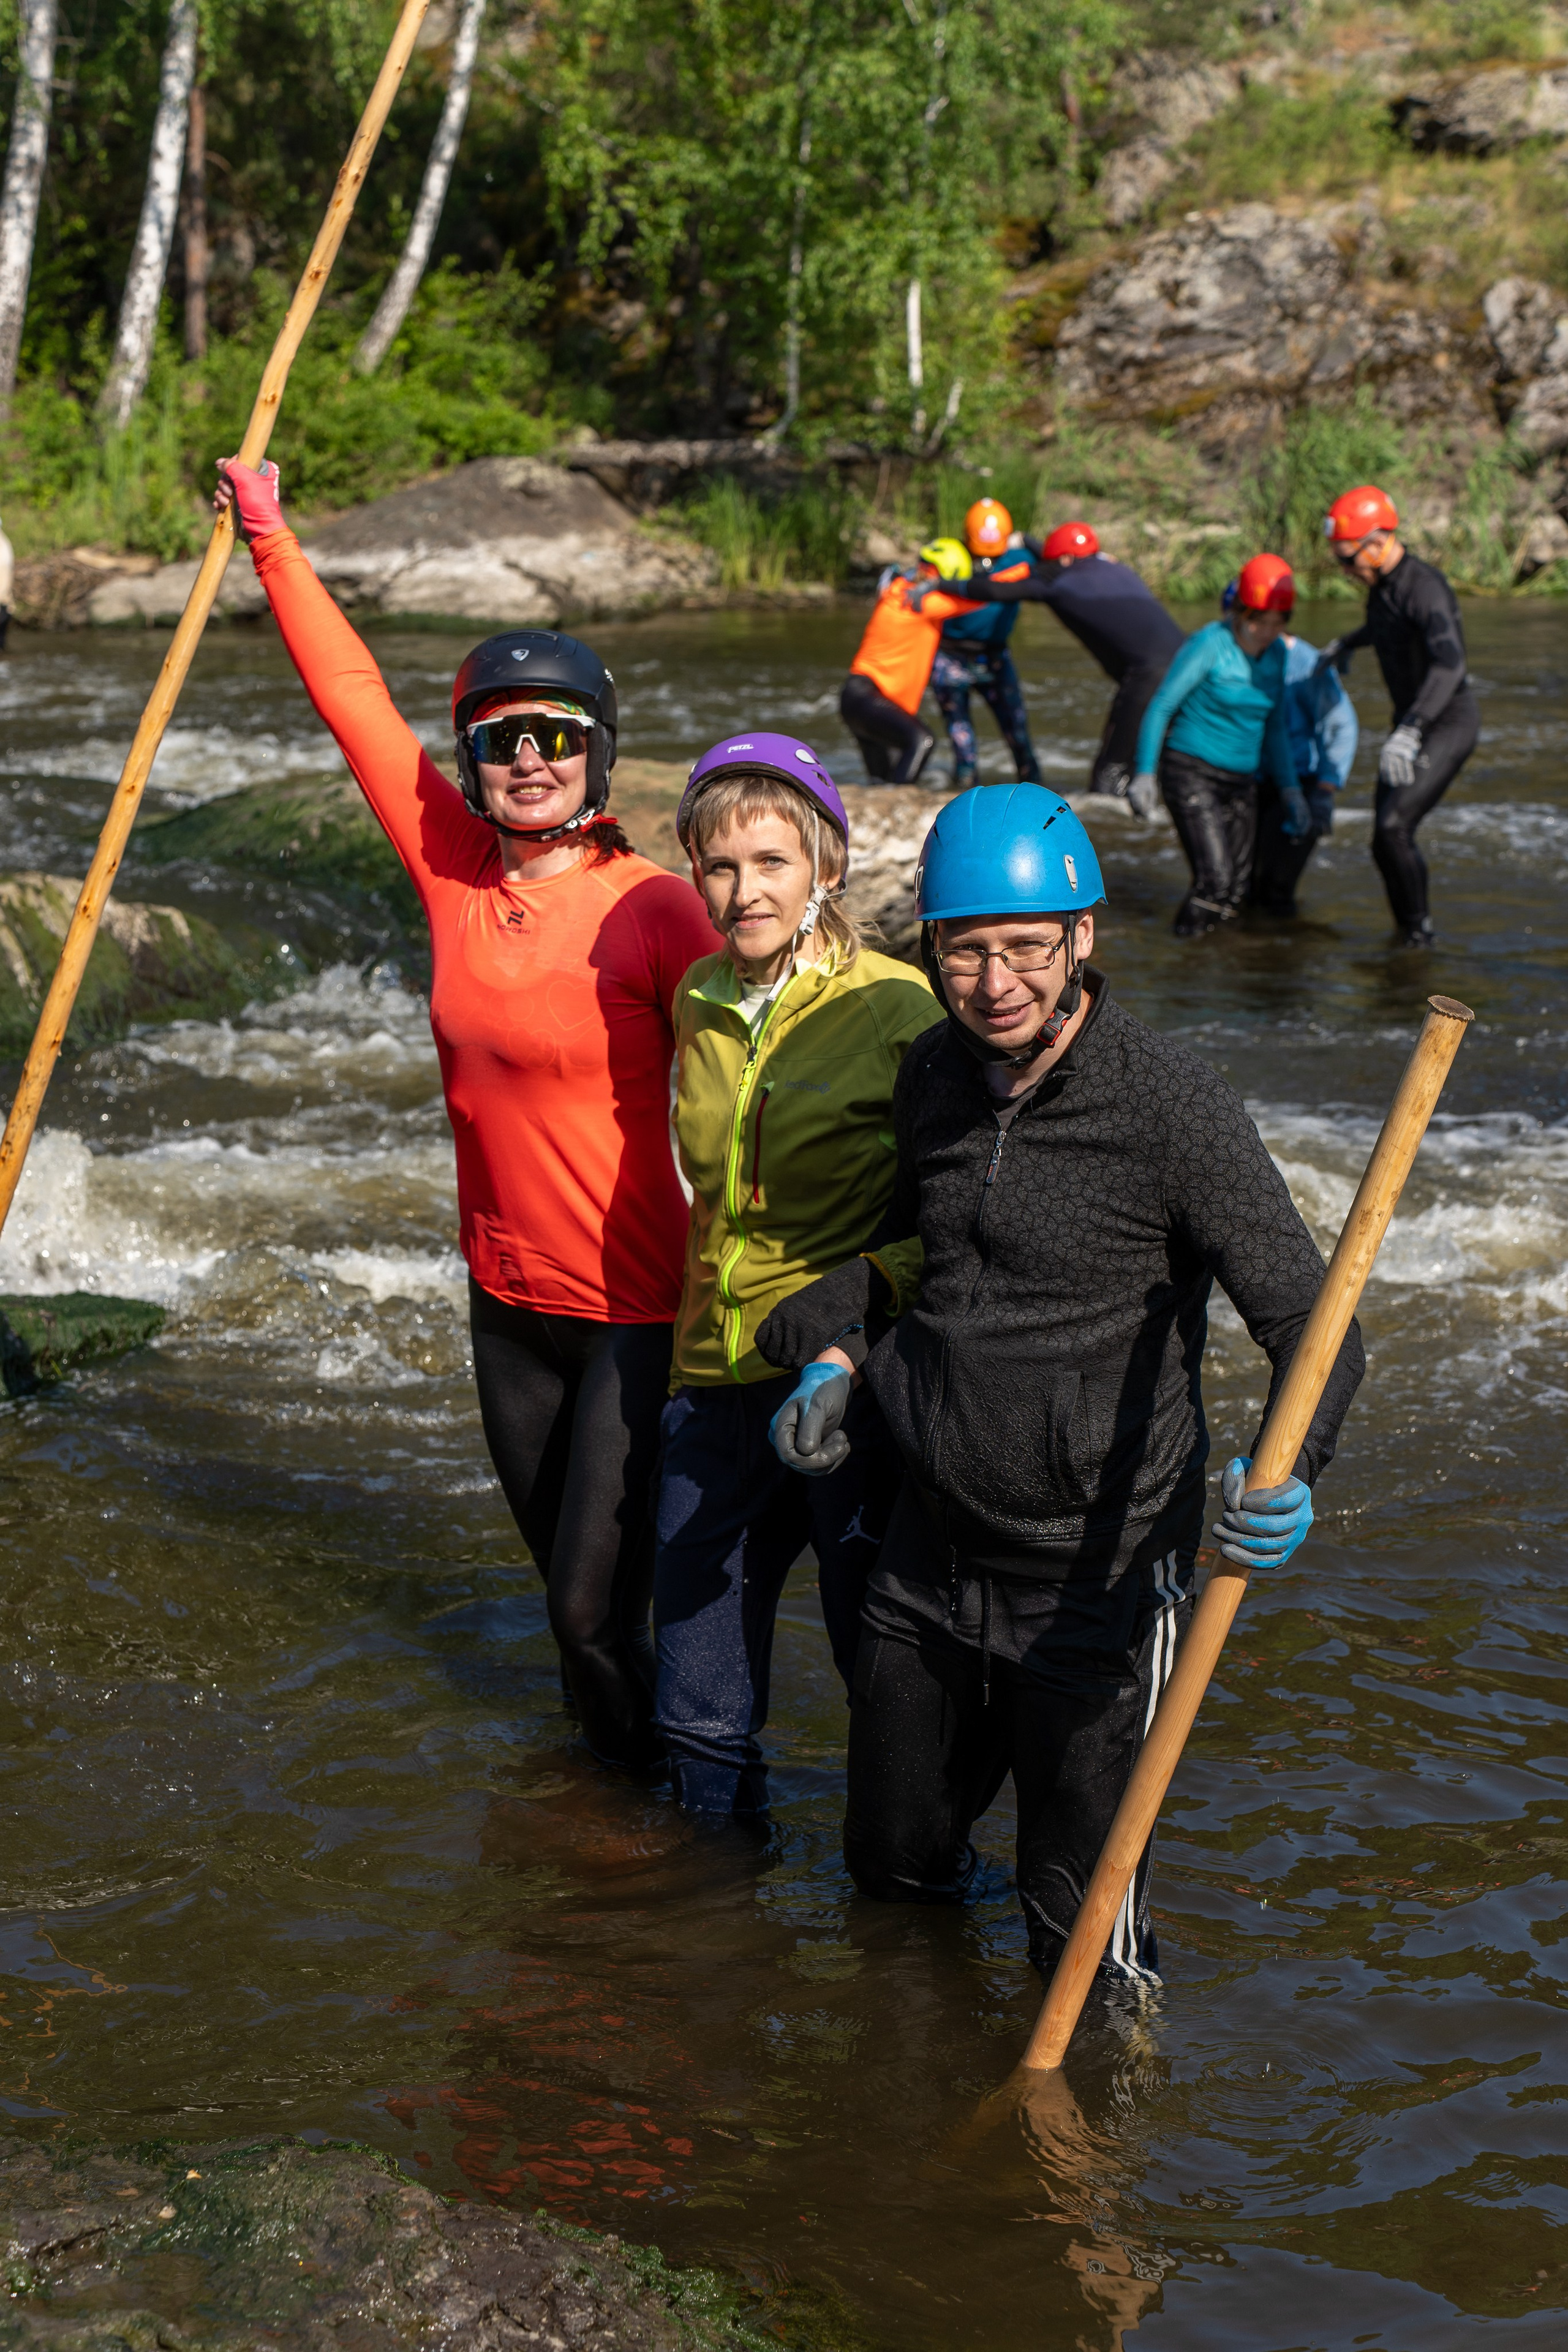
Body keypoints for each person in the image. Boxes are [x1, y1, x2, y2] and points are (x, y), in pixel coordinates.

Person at [756, 783, 1364, 1987]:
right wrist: (834, 1358)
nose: (995, 983)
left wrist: (1288, 1469)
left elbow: (1313, 1325)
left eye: (1026, 948)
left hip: (1096, 1583)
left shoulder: (1169, 1107)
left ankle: (1100, 2143)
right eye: (964, 949)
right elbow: (908, 1256)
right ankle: (920, 2116)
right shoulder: (930, 1072)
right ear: (928, 948)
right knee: (891, 1871)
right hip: (925, 1560)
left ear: (1083, 936)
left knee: (1076, 1930)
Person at [213, 456, 717, 1776]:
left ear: (597, 754)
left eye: (554, 735)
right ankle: (619, 1818)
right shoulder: (447, 869)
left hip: (634, 1315)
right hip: (504, 1306)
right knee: (577, 1606)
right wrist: (268, 530)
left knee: (588, 1605)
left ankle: (675, 1831)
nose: (530, 759)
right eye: (502, 739)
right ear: (475, 762)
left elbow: (780, 1042)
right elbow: (354, 701)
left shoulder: (658, 909)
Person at [654, 734, 934, 1815]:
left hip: (841, 1394)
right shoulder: (696, 1001)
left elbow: (952, 1221)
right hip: (707, 1387)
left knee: (885, 1682)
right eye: (720, 866)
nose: (742, 892)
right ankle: (714, 1933)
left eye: (771, 863)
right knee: (696, 1705)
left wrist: (858, 1312)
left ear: (828, 864)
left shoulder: (900, 1010)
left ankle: (907, 1911)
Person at [1320, 484, 1477, 949]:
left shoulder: (1426, 588)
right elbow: (1386, 623)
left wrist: (1411, 729)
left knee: (1394, 828)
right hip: (1409, 725)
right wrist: (1347, 644)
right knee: (1381, 839)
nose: (1346, 570)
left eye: (1349, 559)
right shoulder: (1383, 587)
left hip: (1444, 722)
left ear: (1378, 541)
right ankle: (1405, 934)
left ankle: (1420, 936)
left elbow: (1452, 665)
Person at [937, 519, 1186, 797]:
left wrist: (941, 584)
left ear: (1064, 560)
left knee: (1111, 770)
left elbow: (994, 591)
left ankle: (1104, 826)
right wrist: (1025, 538)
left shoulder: (1058, 584)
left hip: (1149, 676)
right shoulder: (1113, 566)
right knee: (1174, 754)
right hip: (1188, 666)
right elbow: (1059, 556)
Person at [1129, 552, 1300, 938]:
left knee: (1237, 890)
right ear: (1241, 611)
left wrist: (1291, 790)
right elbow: (1162, 706)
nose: (1267, 632)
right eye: (1259, 621)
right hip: (1192, 773)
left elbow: (1274, 726)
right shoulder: (1210, 643)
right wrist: (1144, 774)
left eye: (1277, 623)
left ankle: (1216, 970)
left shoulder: (1276, 656)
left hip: (1242, 780)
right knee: (1215, 881)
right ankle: (1184, 958)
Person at [840, 538, 989, 784]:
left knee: (883, 782)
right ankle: (900, 807)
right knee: (922, 740)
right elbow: (986, 595)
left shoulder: (897, 590)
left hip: (857, 700)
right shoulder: (922, 603)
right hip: (868, 697)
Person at [1250, 594, 1360, 919]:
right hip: (1255, 783)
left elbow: (1341, 727)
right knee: (1248, 885)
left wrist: (1326, 791)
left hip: (1304, 783)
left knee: (1279, 887)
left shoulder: (1308, 664)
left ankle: (1285, 959)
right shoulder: (1240, 655)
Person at [929, 499, 1041, 790]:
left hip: (994, 658)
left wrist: (1026, 540)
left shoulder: (1020, 559)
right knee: (963, 739)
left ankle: (1035, 789)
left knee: (1017, 733)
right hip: (950, 657)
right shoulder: (951, 557)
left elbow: (1055, 561)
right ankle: (966, 788)